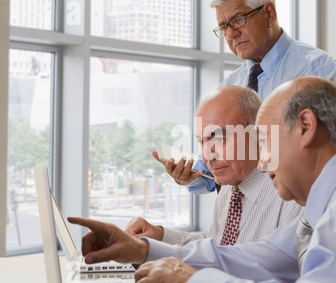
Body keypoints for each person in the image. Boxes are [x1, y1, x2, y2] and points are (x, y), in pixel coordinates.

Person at [69, 76, 336, 283]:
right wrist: (141, 248)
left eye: (264, 141)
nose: (262, 158)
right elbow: (254, 257)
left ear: (305, 127)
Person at [157, 0, 336, 195]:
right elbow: (214, 169)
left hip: (300, 204)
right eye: (224, 27)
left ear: (269, 14)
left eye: (239, 19)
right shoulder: (230, 85)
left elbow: (330, 151)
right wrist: (190, 176)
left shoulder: (315, 68)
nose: (231, 34)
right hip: (245, 213)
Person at [126, 85, 301, 246]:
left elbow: (269, 268)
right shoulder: (229, 188)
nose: (207, 155)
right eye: (202, 142)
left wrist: (182, 258)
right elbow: (216, 243)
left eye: (218, 139)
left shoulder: (292, 197)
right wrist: (159, 235)